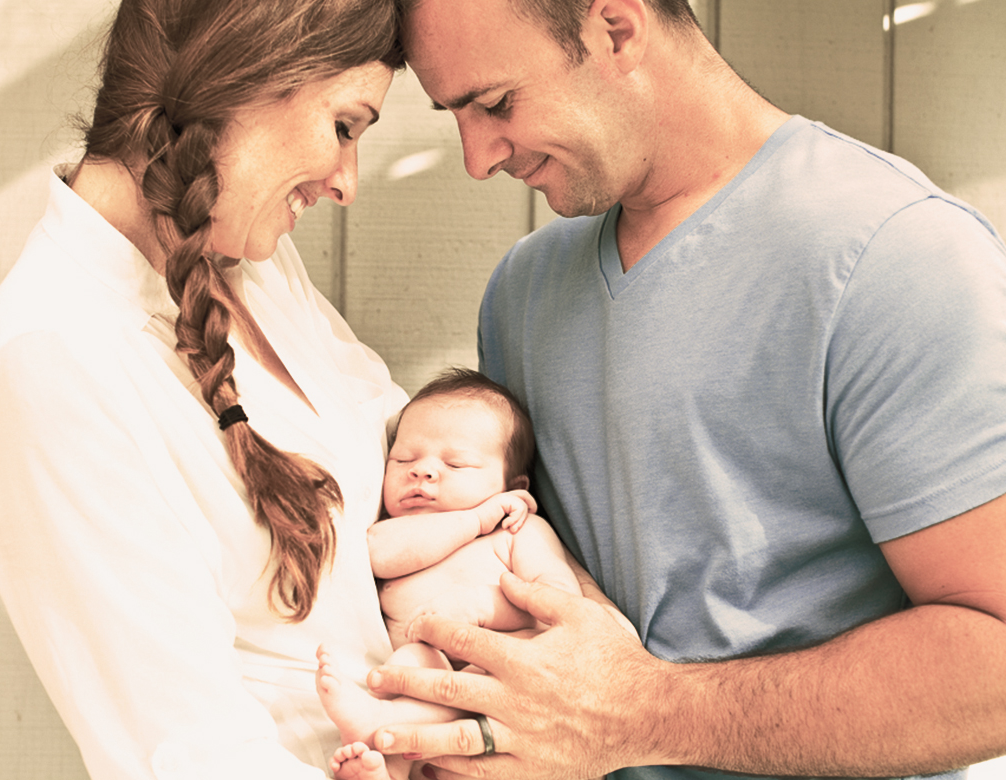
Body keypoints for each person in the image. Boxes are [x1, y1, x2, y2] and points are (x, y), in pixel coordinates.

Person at [361, 1, 1006, 779]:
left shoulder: (899, 252)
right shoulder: (522, 292)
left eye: (496, 104)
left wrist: (644, 714)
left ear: (617, 28)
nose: (475, 157)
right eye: (453, 114)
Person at [0, 1, 409, 777]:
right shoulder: (44, 363)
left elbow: (419, 457)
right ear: (242, 74)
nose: (347, 183)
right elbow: (192, 756)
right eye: (344, 126)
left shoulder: (253, 267)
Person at [315, 368, 585, 780]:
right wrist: (474, 519)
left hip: (503, 684)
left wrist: (483, 608)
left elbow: (558, 604)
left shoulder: (518, 530)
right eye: (403, 459)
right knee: (415, 662)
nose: (422, 471)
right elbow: (378, 556)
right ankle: (384, 760)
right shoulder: (396, 532)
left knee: (474, 680)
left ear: (514, 486)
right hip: (428, 681)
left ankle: (383, 731)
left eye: (456, 463)